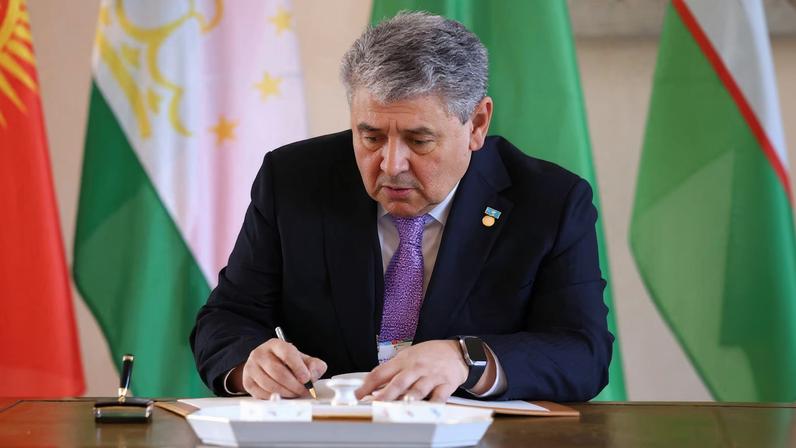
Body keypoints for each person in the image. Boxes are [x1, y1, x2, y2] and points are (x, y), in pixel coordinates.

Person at [191, 11, 612, 402]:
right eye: (371, 137)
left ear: (477, 125)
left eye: (419, 140)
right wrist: (250, 362)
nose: (391, 165)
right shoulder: (294, 179)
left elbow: (583, 351)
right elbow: (227, 318)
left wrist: (467, 358)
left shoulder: (548, 200)